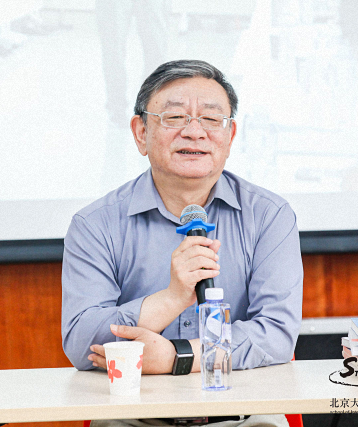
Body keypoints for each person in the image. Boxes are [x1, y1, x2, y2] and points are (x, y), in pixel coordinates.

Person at [62, 60, 303, 427]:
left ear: (230, 136)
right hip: (133, 419)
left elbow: (276, 335)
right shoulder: (96, 224)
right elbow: (82, 344)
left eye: (211, 119)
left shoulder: (269, 216)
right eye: (175, 117)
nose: (194, 132)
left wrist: (178, 357)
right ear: (141, 133)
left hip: (243, 417)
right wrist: (171, 299)